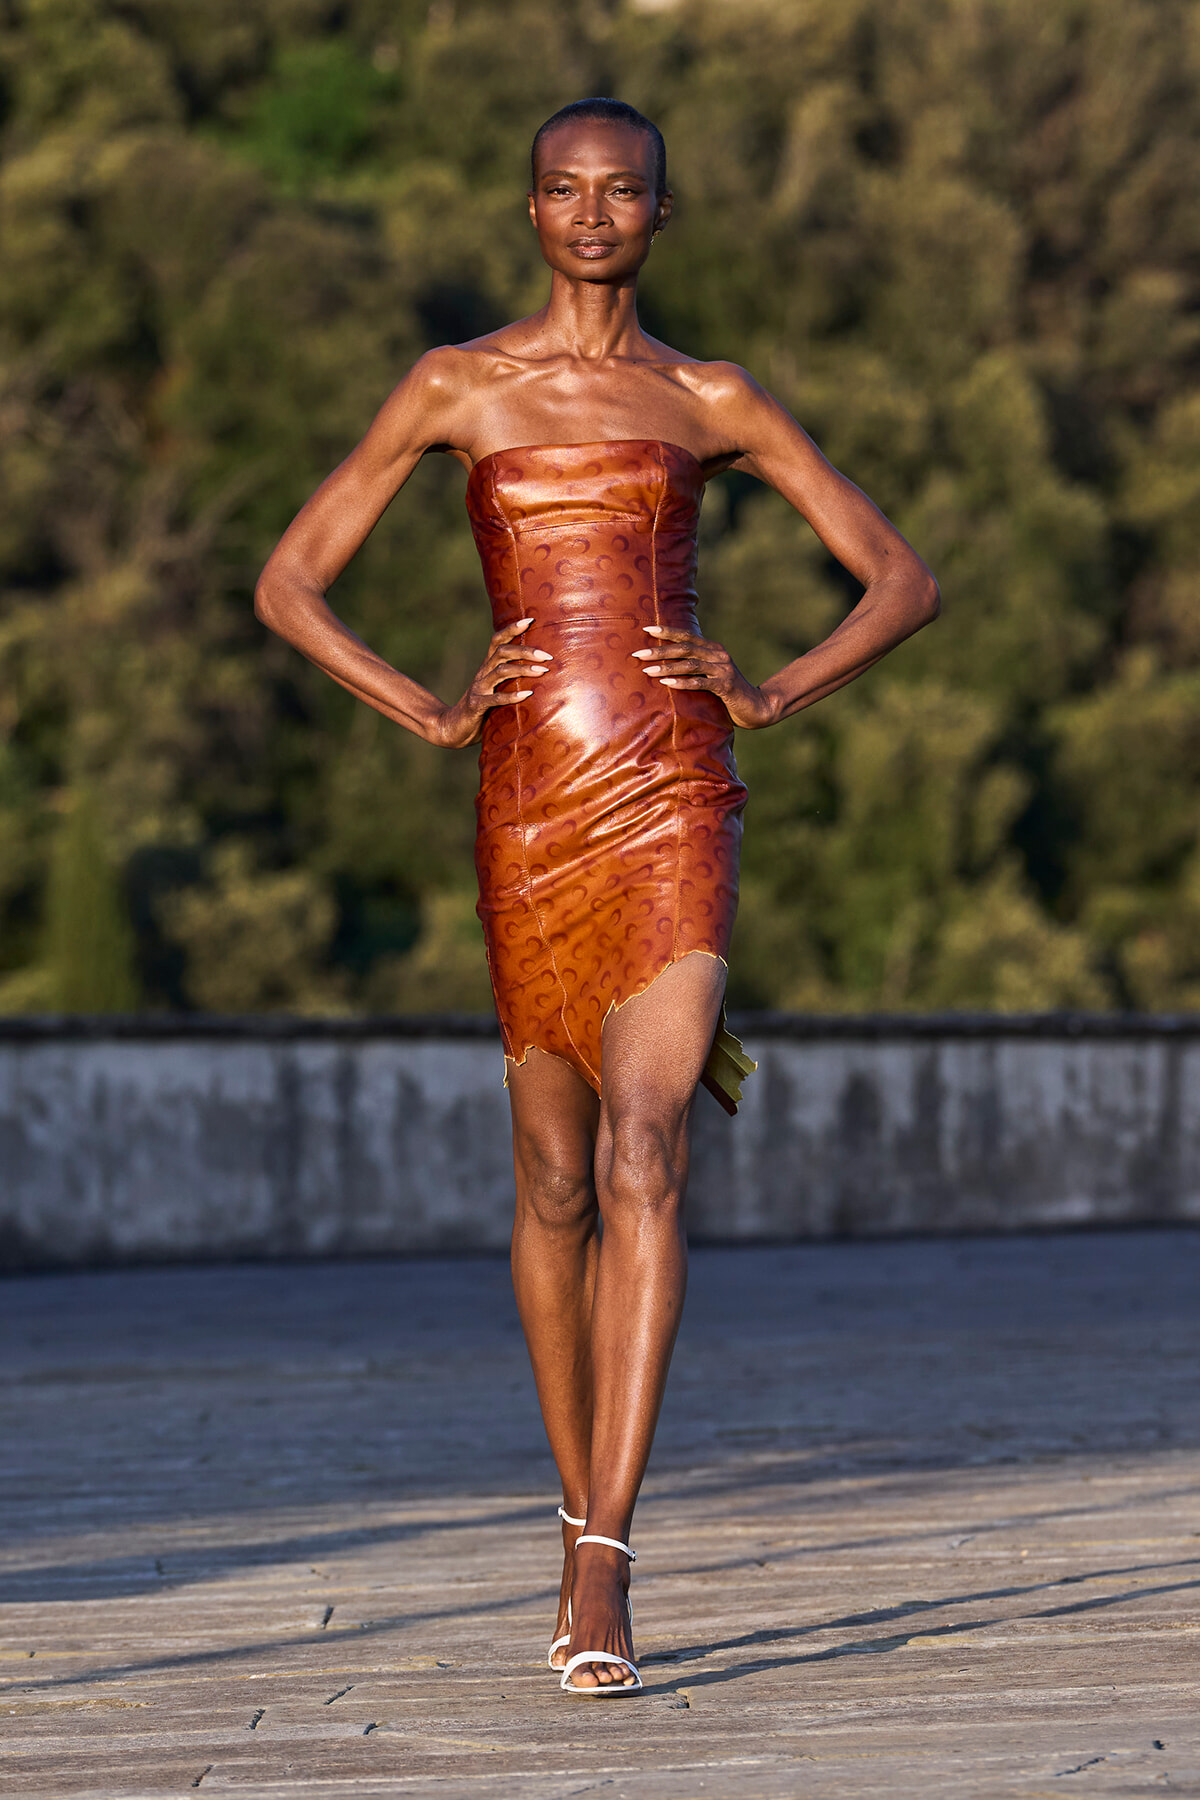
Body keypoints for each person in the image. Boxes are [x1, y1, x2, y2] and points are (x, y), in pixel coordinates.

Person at [255, 96, 939, 1695]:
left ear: (660, 211)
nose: (589, 214)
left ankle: (603, 1559)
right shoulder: (457, 386)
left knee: (648, 1144)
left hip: (675, 795)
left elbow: (900, 577)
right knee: (554, 1186)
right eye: (562, 189)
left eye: (619, 191)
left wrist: (771, 689)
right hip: (525, 809)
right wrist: (422, 706)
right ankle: (573, 1502)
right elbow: (290, 582)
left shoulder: (708, 397)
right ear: (530, 206)